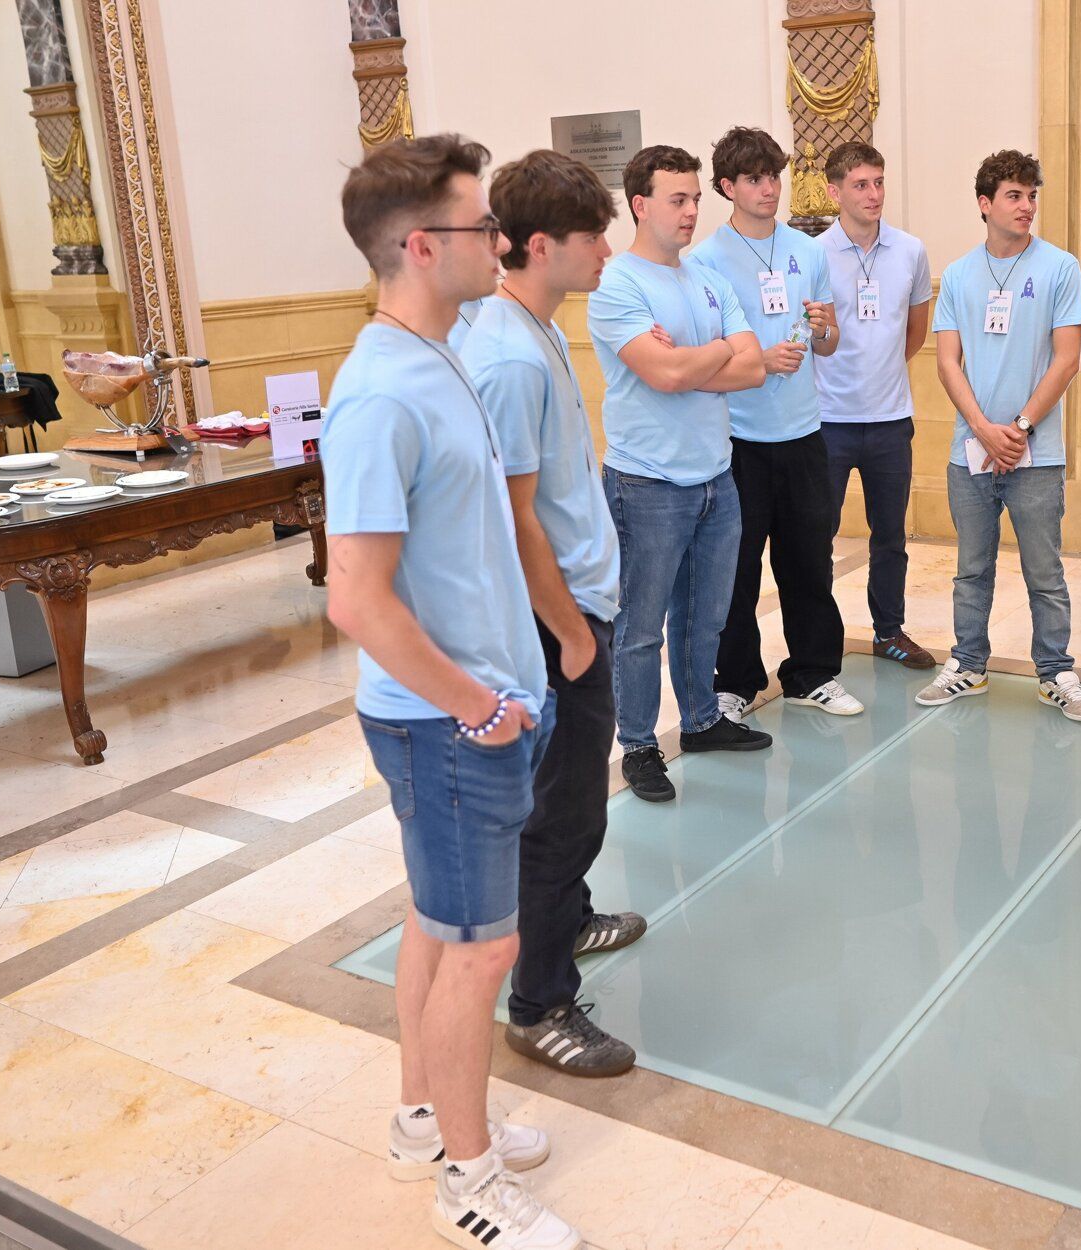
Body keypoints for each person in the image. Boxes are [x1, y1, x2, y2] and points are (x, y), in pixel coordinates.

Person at [324, 134, 581, 1250]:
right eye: (480, 226)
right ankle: (469, 1182)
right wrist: (477, 705)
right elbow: (357, 598)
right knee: (482, 946)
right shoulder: (379, 392)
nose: (499, 241)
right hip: (444, 722)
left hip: (476, 706)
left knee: (441, 925)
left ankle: (425, 1115)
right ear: (423, 245)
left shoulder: (443, 352)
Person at [460, 149, 646, 1078]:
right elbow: (514, 516)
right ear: (540, 246)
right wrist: (572, 631)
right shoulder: (502, 358)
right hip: (553, 620)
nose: (606, 250)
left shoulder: (537, 329)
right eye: (591, 237)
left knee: (576, 802)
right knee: (561, 813)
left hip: (578, 603)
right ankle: (538, 1005)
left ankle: (566, 923)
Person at [586, 144, 768, 804]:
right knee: (640, 627)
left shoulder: (708, 281)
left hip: (716, 478)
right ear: (640, 205)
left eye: (695, 198)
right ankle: (637, 744)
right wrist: (715, 355)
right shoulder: (618, 286)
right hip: (646, 483)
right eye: (678, 199)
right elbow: (660, 375)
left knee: (706, 617)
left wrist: (695, 358)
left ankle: (700, 720)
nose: (692, 211)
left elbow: (754, 368)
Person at [916, 149, 1081, 721]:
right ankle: (968, 665)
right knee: (971, 569)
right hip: (970, 452)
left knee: (1045, 572)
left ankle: (1055, 672)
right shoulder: (961, 274)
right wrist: (982, 429)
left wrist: (1017, 429)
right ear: (985, 203)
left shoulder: (1060, 267)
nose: (1027, 206)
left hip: (1033, 454)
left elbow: (1067, 360)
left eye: (1032, 195)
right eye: (1014, 196)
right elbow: (947, 362)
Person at [691, 127, 860, 721]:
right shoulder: (706, 260)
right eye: (756, 179)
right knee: (736, 570)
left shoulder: (807, 251)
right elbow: (704, 354)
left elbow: (832, 341)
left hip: (804, 432)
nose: (770, 188)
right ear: (727, 188)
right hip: (739, 437)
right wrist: (756, 363)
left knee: (809, 560)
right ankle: (734, 683)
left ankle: (813, 673)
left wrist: (821, 329)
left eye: (774, 176)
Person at [813, 142, 938, 670]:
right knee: (816, 539)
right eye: (861, 184)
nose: (873, 194)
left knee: (891, 536)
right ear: (833, 191)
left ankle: (888, 631)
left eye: (879, 182)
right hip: (826, 423)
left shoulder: (910, 251)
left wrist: (882, 372)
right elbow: (808, 334)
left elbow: (915, 332)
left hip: (890, 420)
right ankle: (816, 639)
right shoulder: (812, 254)